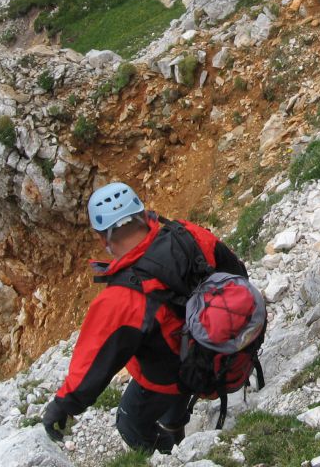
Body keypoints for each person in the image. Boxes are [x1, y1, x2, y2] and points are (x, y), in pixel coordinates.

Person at [42, 182, 248, 453]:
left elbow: (94, 363)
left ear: (103, 239)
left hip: (170, 373)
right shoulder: (188, 233)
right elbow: (237, 274)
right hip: (218, 346)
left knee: (131, 425)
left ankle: (171, 455)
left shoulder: (121, 299)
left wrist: (62, 406)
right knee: (176, 388)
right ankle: (177, 429)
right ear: (143, 215)